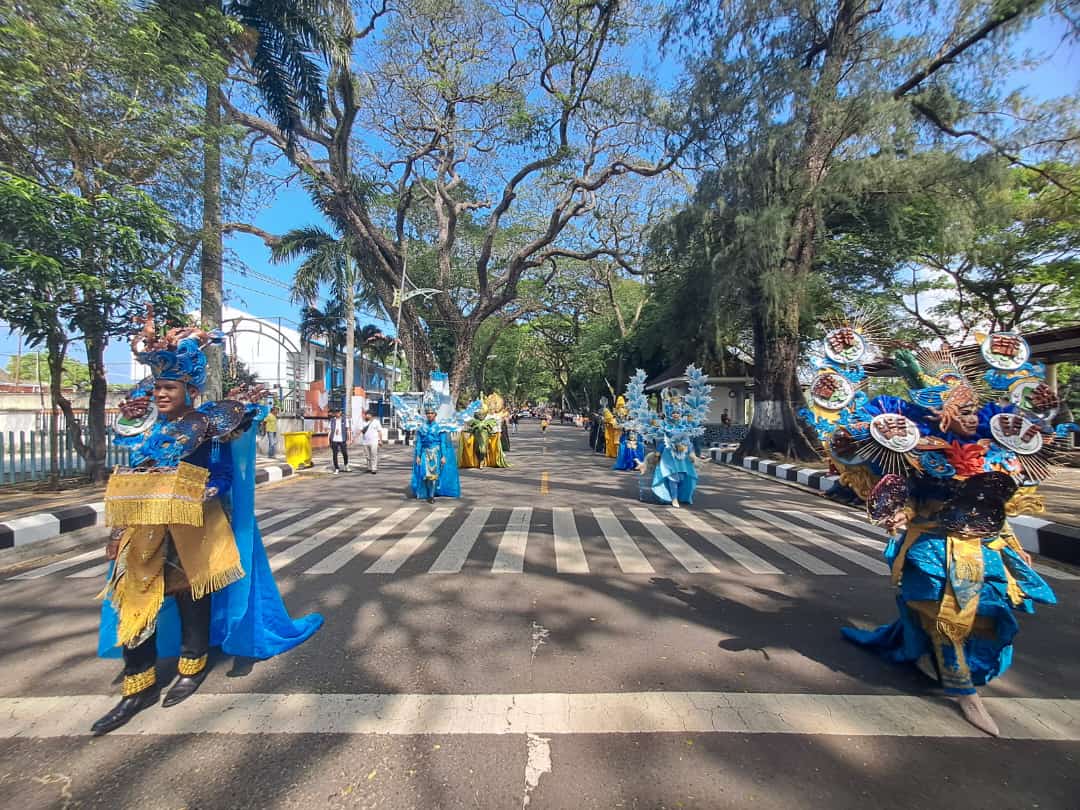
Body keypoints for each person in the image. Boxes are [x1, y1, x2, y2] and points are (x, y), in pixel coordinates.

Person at [800, 322, 1076, 736]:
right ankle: (962, 690)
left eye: (969, 410)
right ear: (935, 413)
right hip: (931, 540)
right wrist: (899, 512)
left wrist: (1014, 543)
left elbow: (997, 502)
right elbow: (897, 491)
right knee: (936, 605)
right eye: (957, 411)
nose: (967, 417)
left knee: (987, 612)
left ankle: (949, 664)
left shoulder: (993, 447)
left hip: (985, 543)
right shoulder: (912, 448)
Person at [94, 309, 322, 736]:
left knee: (189, 594)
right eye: (157, 386)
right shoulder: (142, 424)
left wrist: (202, 491)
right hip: (142, 521)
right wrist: (119, 525)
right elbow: (135, 465)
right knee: (134, 597)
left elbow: (222, 473)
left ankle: (192, 663)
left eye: (170, 387)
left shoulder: (208, 424)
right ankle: (137, 683)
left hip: (191, 520)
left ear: (189, 389)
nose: (161, 394)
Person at [623, 367, 711, 508]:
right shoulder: (663, 424)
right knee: (672, 477)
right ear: (669, 411)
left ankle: (681, 495)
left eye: (678, 412)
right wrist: (657, 453)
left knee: (683, 477)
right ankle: (674, 498)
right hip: (668, 456)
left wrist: (693, 454)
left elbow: (688, 441)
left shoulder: (685, 424)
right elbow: (661, 439)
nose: (676, 414)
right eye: (673, 412)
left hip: (682, 456)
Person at [393, 387, 479, 503]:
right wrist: (418, 456)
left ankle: (431, 495)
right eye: (427, 413)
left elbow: (443, 443)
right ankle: (427, 493)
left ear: (435, 414)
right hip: (424, 453)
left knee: (434, 476)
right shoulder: (421, 427)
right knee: (425, 475)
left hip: (436, 453)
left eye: (431, 413)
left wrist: (443, 456)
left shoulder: (440, 427)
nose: (429, 415)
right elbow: (419, 443)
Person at [327, 407, 351, 473]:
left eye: (338, 412)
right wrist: (327, 440)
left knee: (344, 453)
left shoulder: (344, 420)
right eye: (335, 412)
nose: (336, 413)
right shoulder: (332, 420)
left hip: (342, 439)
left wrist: (349, 439)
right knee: (335, 454)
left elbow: (348, 430)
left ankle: (346, 465)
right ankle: (336, 468)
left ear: (340, 412)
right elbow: (329, 430)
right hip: (334, 439)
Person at [360, 409, 381, 474]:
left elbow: (379, 431)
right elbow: (361, 430)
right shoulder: (363, 422)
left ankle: (374, 469)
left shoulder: (376, 422)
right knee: (367, 456)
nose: (366, 415)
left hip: (374, 441)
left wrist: (380, 440)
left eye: (368, 414)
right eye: (366, 414)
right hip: (365, 441)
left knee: (374, 455)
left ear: (371, 415)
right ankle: (369, 468)